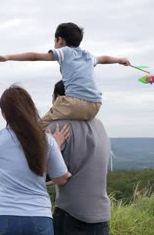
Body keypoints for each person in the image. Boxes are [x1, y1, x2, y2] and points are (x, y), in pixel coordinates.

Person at [0, 22, 131, 129]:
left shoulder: (65, 52)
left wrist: (7, 57)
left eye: (55, 41)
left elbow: (34, 56)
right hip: (95, 105)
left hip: (74, 103)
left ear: (60, 40)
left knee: (40, 127)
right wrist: (120, 60)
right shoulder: (88, 56)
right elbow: (105, 58)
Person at [0, 84, 72, 235]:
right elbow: (61, 178)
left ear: (4, 114)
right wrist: (56, 146)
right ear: (30, 109)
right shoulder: (47, 141)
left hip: (3, 215)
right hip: (39, 216)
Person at [47, 80, 111, 235]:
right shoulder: (99, 125)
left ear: (57, 98)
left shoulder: (57, 127)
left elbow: (42, 175)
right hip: (101, 215)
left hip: (71, 213)